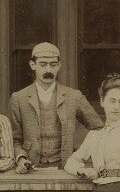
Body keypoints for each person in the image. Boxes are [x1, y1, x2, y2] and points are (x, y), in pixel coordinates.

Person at [9, 41, 103, 172]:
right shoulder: (19, 98)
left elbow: (98, 128)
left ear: (59, 65)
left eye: (53, 65)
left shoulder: (73, 96)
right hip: (32, 168)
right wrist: (21, 159)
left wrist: (81, 155)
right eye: (43, 64)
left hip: (66, 167)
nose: (48, 70)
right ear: (33, 65)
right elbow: (15, 140)